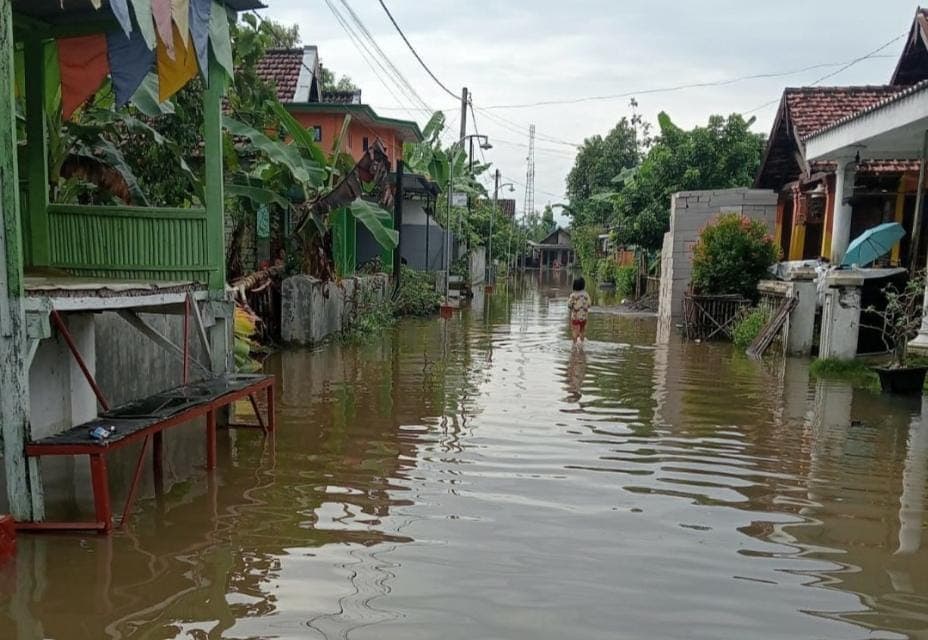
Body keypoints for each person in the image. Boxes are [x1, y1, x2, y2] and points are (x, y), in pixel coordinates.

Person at [567, 276, 591, 345]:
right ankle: (582, 344)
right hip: (584, 318)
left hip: (575, 317)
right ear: (583, 285)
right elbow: (589, 304)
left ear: (574, 286)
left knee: (575, 331)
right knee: (582, 331)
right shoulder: (586, 295)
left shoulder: (573, 295)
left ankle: (574, 345)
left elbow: (569, 305)